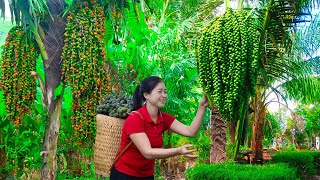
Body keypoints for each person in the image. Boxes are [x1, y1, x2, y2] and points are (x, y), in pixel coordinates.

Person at [110, 76, 208, 180]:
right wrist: (179, 150)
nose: (164, 95)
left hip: (146, 175)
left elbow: (191, 131)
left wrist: (202, 106)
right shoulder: (135, 118)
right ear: (146, 95)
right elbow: (147, 152)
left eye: (165, 92)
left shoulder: (164, 118)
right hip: (124, 175)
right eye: (160, 91)